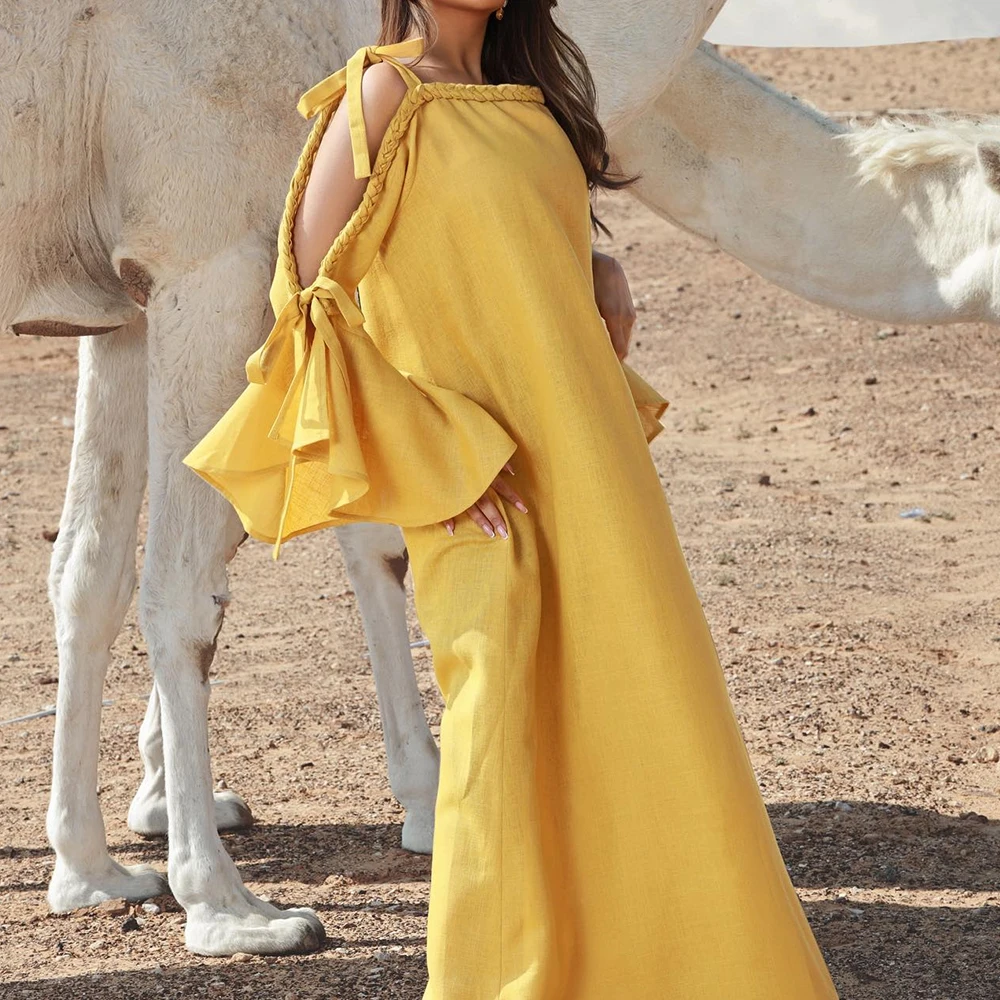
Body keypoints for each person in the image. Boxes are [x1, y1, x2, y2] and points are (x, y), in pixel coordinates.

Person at [183, 1, 840, 997]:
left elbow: (510, 251)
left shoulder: (531, 95)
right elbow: (306, 305)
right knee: (501, 762)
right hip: (486, 498)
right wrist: (432, 460)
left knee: (645, 726)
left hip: (593, 471)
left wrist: (598, 266)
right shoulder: (383, 90)